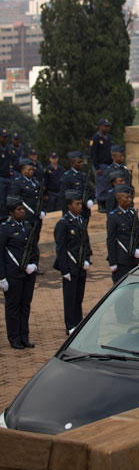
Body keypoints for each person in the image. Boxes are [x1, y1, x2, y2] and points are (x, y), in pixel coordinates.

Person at [0, 195, 38, 348]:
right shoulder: (5, 228)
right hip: (12, 274)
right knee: (13, 306)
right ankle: (14, 338)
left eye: (23, 209)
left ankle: (24, 336)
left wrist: (34, 265)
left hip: (27, 274)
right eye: (19, 209)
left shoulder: (27, 227)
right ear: (11, 212)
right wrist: (2, 277)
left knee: (25, 305)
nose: (22, 212)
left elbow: (34, 249)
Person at [54, 190, 92, 335]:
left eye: (80, 204)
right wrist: (65, 270)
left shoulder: (81, 220)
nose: (80, 207)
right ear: (69, 205)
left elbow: (86, 242)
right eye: (77, 204)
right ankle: (70, 325)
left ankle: (78, 322)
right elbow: (61, 249)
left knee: (78, 297)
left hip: (81, 265)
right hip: (70, 266)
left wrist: (87, 259)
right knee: (70, 298)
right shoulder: (63, 223)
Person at [106, 184, 139, 322]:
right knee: (121, 289)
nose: (129, 200)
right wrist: (113, 261)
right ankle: (121, 316)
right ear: (119, 199)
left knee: (131, 289)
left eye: (130, 197)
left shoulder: (132, 214)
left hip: (132, 258)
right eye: (126, 197)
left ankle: (129, 313)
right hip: (121, 259)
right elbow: (111, 240)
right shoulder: (113, 217)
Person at [9, 158, 46, 250]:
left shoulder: (36, 181)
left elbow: (40, 198)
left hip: (37, 216)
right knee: (26, 238)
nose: (31, 171)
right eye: (28, 170)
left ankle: (33, 255)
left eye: (32, 169)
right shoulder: (18, 182)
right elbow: (15, 200)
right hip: (26, 216)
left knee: (35, 237)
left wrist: (43, 211)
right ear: (22, 170)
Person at [59, 152, 94, 221]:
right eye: (79, 162)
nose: (81, 164)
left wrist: (91, 200)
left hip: (85, 211)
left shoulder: (84, 175)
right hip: (73, 212)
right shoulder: (67, 177)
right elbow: (63, 196)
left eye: (82, 161)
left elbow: (91, 191)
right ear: (72, 163)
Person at [89, 118, 113, 213]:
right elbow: (93, 155)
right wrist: (97, 167)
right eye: (105, 126)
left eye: (108, 126)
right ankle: (100, 203)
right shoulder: (95, 139)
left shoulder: (109, 137)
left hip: (109, 164)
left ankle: (107, 203)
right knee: (101, 185)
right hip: (100, 165)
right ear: (100, 127)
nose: (107, 128)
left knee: (108, 185)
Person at [0, 127, 15, 220]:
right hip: (1, 178)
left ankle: (7, 217)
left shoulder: (8, 148)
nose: (5, 139)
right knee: (1, 200)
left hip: (8, 177)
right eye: (3, 137)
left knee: (9, 199)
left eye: (6, 137)